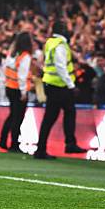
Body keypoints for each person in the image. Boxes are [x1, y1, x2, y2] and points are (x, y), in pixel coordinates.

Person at [35, 21, 86, 159]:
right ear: (63, 30)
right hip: (59, 85)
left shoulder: (50, 42)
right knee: (58, 115)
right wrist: (71, 85)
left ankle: (66, 143)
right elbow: (60, 66)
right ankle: (52, 147)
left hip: (52, 84)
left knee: (63, 113)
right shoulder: (60, 45)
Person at [0, 32, 32, 153]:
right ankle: (14, 144)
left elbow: (5, 69)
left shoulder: (12, 54)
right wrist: (24, 92)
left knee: (12, 115)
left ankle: (3, 140)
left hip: (9, 87)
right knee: (18, 117)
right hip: (18, 89)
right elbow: (22, 76)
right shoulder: (25, 56)